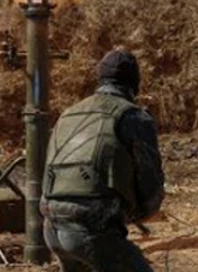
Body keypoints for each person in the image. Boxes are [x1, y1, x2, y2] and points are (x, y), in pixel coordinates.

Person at [41, 48, 165, 271]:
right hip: (91, 229)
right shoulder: (133, 117)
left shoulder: (68, 114)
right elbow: (150, 184)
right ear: (134, 84)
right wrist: (139, 213)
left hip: (52, 226)